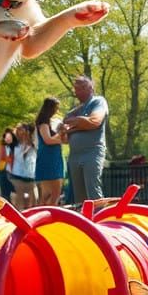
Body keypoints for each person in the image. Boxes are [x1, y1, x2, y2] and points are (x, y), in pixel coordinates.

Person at [60, 75, 108, 205]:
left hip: (92, 151)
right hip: (74, 154)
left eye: (82, 87)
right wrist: (78, 124)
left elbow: (94, 121)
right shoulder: (75, 110)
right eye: (76, 88)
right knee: (79, 195)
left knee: (93, 190)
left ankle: (100, 219)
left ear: (91, 87)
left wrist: (73, 125)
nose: (78, 91)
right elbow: (63, 130)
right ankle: (83, 222)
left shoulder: (98, 102)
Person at [34, 97, 65, 206]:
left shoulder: (49, 123)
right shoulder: (43, 123)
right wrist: (61, 135)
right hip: (49, 159)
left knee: (48, 193)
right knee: (54, 192)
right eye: (56, 108)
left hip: (53, 158)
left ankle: (45, 212)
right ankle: (49, 213)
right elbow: (47, 140)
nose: (57, 110)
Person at [9, 122, 37, 209]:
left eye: (21, 129)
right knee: (19, 199)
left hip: (30, 175)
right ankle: (19, 217)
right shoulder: (14, 144)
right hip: (17, 175)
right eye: (18, 129)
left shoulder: (33, 144)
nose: (19, 131)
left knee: (32, 200)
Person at [0, 127, 16, 205]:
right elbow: (1, 157)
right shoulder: (3, 146)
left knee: (7, 194)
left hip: (9, 171)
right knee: (6, 194)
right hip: (5, 171)